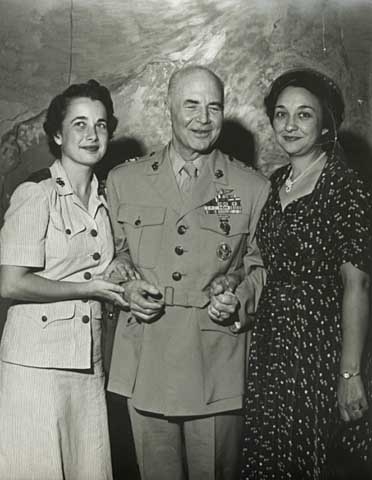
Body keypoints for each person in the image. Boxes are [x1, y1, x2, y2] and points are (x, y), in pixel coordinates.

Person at [105, 65, 270, 480]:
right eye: (191, 105)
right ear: (168, 108)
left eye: (213, 107)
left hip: (215, 361)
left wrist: (237, 293)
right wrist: (126, 285)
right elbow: (113, 255)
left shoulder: (251, 187)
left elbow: (260, 265)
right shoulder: (124, 180)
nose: (203, 118)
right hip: (146, 357)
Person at [239, 68, 372, 479]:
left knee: (313, 457)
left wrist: (349, 373)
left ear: (326, 123)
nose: (290, 125)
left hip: (321, 344)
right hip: (273, 343)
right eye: (281, 114)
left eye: (304, 115)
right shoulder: (275, 181)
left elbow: (358, 283)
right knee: (271, 455)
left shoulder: (346, 187)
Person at [0, 79, 128, 480]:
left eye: (101, 125)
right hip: (36, 367)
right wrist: (87, 288)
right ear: (57, 133)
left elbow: (100, 261)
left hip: (87, 364)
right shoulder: (36, 193)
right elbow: (11, 283)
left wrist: (118, 267)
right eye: (79, 124)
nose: (92, 135)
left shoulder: (105, 198)